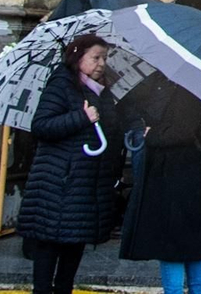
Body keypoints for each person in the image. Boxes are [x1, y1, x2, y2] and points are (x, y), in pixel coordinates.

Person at [19, 35, 124, 294]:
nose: (101, 64)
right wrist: (81, 117)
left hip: (84, 183)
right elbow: (42, 126)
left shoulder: (101, 90)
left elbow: (110, 128)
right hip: (59, 182)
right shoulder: (62, 85)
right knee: (49, 244)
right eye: (95, 58)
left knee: (74, 243)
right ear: (78, 58)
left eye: (104, 58)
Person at [119, 82, 201, 294]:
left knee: (171, 247)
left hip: (177, 178)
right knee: (196, 249)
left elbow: (178, 132)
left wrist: (151, 134)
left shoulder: (187, 93)